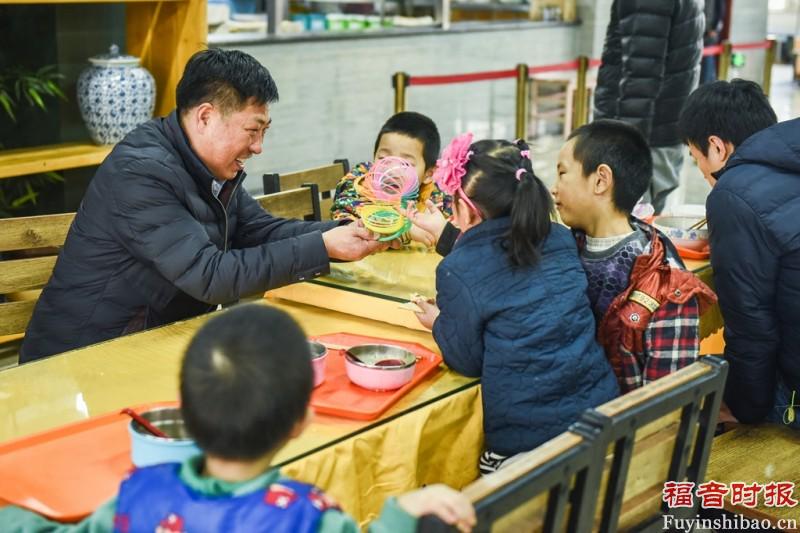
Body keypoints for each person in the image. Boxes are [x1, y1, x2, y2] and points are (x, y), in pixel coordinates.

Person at [20, 49, 385, 363]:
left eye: (264, 131)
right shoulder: (141, 171)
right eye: (252, 130)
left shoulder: (204, 163)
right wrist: (323, 247)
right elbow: (210, 277)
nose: (259, 147)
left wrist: (340, 234)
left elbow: (258, 231)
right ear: (206, 116)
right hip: (81, 360)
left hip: (156, 343)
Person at [0, 304, 477, 532]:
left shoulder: (138, 491)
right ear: (299, 423)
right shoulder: (304, 515)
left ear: (185, 413)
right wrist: (404, 511)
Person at [412, 134, 619, 475]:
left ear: (465, 208)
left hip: (526, 442)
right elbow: (508, 272)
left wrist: (438, 321)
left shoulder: (456, 270)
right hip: (600, 416)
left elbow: (468, 361)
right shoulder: (560, 237)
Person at [551, 119, 716, 393]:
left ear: (601, 180)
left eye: (562, 173)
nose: (553, 187)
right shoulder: (560, 251)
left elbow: (665, 405)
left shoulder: (668, 288)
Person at [677, 80, 799, 428]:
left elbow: (751, 324)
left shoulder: (734, 195)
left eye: (695, 156)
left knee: (685, 388)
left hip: (792, 394)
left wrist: (744, 410)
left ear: (716, 147)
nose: (701, 170)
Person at [593, 0, 704, 214]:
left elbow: (642, 75)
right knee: (648, 224)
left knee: (629, 228)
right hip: (663, 128)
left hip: (643, 136)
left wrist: (626, 145)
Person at [330, 112, 452, 247]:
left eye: (406, 164)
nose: (393, 170)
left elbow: (456, 230)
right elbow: (343, 222)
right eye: (383, 158)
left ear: (428, 174)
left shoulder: (435, 195)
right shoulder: (360, 181)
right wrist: (404, 230)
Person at [700, 0, 726, 85]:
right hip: (699, 32)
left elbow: (721, 11)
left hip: (709, 34)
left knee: (708, 62)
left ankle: (708, 86)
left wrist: (714, 29)